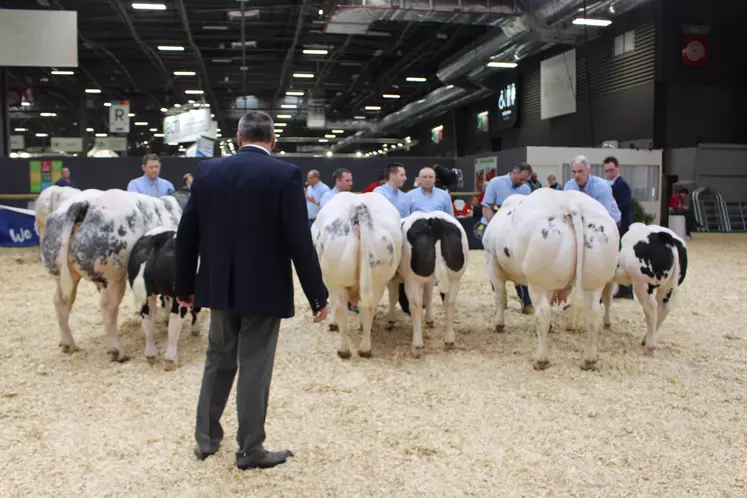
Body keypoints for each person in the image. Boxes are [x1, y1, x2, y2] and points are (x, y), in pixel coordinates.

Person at [174, 110, 329, 471]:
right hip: (263, 288)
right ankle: (250, 449)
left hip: (217, 285)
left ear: (239, 138)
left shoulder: (208, 171)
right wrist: (316, 295)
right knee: (254, 365)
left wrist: (184, 286)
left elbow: (187, 233)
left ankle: (206, 440)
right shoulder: (285, 175)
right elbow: (298, 240)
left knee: (218, 358)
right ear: (273, 141)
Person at [479, 162, 534, 314]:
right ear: (515, 172)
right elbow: (486, 208)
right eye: (522, 179)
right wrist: (495, 230)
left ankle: (527, 302)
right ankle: (501, 301)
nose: (523, 183)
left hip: (514, 232)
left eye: (526, 180)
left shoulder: (525, 189)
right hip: (493, 229)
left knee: (519, 264)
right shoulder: (496, 183)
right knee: (494, 266)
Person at [603, 156, 634, 299]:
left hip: (623, 225)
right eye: (607, 170)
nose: (609, 173)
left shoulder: (622, 185)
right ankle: (621, 288)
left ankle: (627, 289)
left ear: (618, 168)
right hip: (615, 223)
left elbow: (624, 205)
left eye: (611, 170)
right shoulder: (608, 184)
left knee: (623, 256)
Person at [564, 155, 621, 225]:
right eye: (574, 172)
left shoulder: (602, 187)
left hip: (610, 222)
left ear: (589, 170)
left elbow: (604, 215)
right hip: (586, 222)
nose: (576, 175)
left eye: (580, 171)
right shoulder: (569, 187)